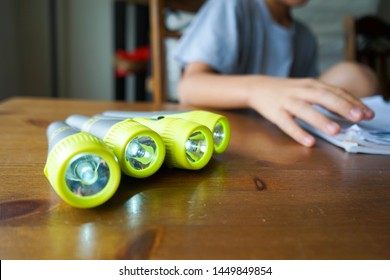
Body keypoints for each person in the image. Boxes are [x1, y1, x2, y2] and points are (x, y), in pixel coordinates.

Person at [174, 0, 378, 147]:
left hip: (278, 141)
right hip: (226, 138)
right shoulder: (233, 5)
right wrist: (257, 90)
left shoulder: (305, 36)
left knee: (357, 77)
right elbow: (188, 87)